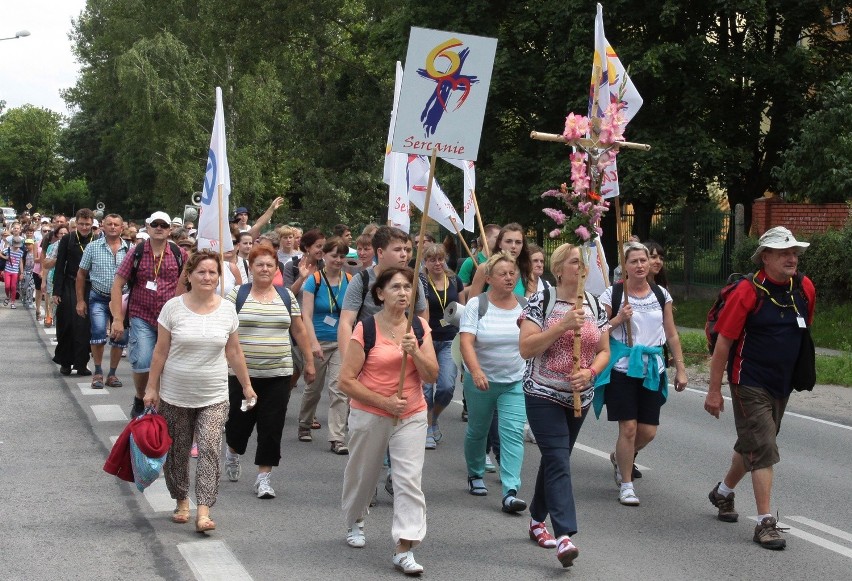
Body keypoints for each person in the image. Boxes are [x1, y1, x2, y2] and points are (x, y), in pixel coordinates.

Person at [704, 226, 814, 550]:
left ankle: (722, 493)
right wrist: (713, 391)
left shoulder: (805, 288)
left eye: (794, 252)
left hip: (782, 383)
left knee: (752, 444)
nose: (791, 258)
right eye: (784, 253)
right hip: (748, 380)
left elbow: (802, 333)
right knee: (763, 445)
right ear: (765, 257)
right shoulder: (747, 292)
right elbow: (723, 343)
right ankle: (766, 523)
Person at [143, 250, 254, 532]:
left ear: (219, 277)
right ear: (189, 276)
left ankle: (203, 510)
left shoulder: (228, 309)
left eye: (213, 272)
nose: (207, 277)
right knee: (178, 452)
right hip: (175, 394)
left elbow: (234, 351)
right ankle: (181, 500)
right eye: (201, 272)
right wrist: (151, 387)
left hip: (214, 395)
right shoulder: (172, 308)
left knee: (208, 448)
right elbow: (160, 351)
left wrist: (246, 385)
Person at [339, 266, 438, 575]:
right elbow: (346, 381)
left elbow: (431, 374)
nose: (403, 293)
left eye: (408, 287)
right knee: (363, 477)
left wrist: (416, 351)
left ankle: (405, 547)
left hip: (411, 414)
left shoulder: (419, 327)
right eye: (395, 287)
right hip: (370, 413)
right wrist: (383, 401)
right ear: (380, 294)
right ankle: (356, 519)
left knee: (408, 480)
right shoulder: (365, 329)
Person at [518, 243, 610, 567]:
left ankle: (536, 520)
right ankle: (565, 536)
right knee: (558, 459)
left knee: (555, 459)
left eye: (583, 262)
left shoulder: (596, 304)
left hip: (579, 397)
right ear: (559, 269)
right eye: (574, 262)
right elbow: (526, 348)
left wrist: (590, 372)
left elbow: (603, 350)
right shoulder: (541, 301)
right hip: (541, 393)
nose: (581, 267)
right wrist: (560, 325)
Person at [597, 241, 688, 506]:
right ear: (625, 266)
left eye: (643, 260)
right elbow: (597, 329)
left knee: (647, 432)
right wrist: (617, 320)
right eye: (634, 261)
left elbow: (670, 333)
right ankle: (626, 484)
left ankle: (620, 456)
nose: (639, 265)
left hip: (651, 367)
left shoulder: (660, 294)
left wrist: (680, 368)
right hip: (623, 368)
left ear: (650, 264)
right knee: (628, 428)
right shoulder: (612, 295)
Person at [223, 244, 315, 498]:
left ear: (276, 268)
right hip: (242, 377)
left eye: (269, 265)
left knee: (271, 427)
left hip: (278, 374)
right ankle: (232, 452)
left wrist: (308, 361)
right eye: (259, 264)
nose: (264, 269)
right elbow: (224, 330)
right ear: (250, 268)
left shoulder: (285, 296)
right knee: (239, 424)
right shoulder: (236, 295)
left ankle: (264, 478)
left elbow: (298, 330)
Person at [459, 253, 528, 513]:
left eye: (512, 273)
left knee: (512, 434)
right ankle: (475, 473)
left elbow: (533, 339)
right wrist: (475, 371)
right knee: (478, 429)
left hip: (515, 381)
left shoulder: (525, 305)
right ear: (488, 279)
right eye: (503, 273)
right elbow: (466, 340)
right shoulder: (478, 304)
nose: (509, 277)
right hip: (481, 381)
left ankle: (510, 490)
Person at [110, 211, 188, 418]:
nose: (160, 228)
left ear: (170, 229)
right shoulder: (136, 252)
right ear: (148, 226)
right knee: (143, 360)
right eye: (155, 224)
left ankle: (157, 407)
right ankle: (139, 396)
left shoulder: (179, 253)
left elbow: (190, 283)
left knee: (166, 364)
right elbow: (117, 284)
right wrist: (117, 319)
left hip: (170, 319)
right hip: (141, 315)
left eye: (164, 225)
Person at [299, 237, 352, 452]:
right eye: (334, 255)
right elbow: (306, 314)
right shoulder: (315, 280)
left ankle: (337, 437)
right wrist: (312, 343)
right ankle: (304, 424)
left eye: (342, 256)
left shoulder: (350, 279)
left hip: (341, 341)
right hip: (318, 339)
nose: (338, 260)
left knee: (339, 388)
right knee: (313, 387)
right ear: (324, 256)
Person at [76, 213, 130, 389]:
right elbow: (81, 274)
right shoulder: (92, 247)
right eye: (109, 224)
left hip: (122, 299)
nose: (113, 227)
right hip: (98, 296)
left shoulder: (130, 249)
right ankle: (98, 372)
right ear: (102, 226)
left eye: (116, 224)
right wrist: (80, 301)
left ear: (122, 228)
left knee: (120, 337)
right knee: (98, 332)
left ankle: (112, 374)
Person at [420, 243, 464, 449]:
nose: (437, 263)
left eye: (440, 259)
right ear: (425, 263)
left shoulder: (455, 280)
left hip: (449, 339)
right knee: (426, 389)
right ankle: (428, 427)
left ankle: (435, 417)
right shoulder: (420, 282)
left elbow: (464, 311)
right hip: (427, 340)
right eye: (432, 260)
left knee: (447, 387)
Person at [52, 208, 96, 375]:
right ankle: (65, 361)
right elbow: (59, 266)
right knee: (68, 323)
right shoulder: (68, 239)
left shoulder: (97, 239)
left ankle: (82, 363)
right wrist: (57, 291)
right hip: (69, 285)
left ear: (92, 224)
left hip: (89, 285)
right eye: (81, 224)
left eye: (87, 224)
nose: (84, 227)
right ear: (75, 224)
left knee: (84, 326)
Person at [466, 223, 532, 298]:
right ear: (499, 244)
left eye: (518, 242)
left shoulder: (527, 269)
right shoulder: (485, 268)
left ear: (523, 245)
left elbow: (530, 304)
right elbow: (472, 304)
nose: (513, 246)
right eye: (508, 241)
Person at [42, 225, 68, 327]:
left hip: (68, 278)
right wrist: (43, 281)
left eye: (65, 233)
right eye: (61, 233)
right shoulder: (53, 246)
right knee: (54, 301)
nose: (63, 235)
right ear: (57, 235)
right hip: (54, 277)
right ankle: (50, 317)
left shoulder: (72, 245)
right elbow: (46, 264)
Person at [2, 235, 24, 308]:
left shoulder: (20, 252)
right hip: (7, 271)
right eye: (16, 245)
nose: (17, 247)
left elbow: (20, 262)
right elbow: (0, 253)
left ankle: (12, 302)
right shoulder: (7, 250)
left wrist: (22, 272)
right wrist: (5, 257)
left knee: (13, 287)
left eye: (18, 245)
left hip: (15, 271)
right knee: (7, 286)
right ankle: (7, 296)